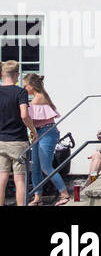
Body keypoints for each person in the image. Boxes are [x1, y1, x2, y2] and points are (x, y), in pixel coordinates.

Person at [22, 73, 69, 205]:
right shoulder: (38, 97)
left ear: (31, 86)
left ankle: (64, 194)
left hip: (47, 132)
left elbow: (26, 116)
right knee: (35, 167)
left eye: (25, 86)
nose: (24, 88)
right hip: (39, 132)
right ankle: (38, 197)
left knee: (45, 166)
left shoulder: (38, 98)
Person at [0, 60, 33, 207]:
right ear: (17, 74)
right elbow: (24, 115)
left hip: (1, 141)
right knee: (20, 180)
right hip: (18, 141)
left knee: (1, 179)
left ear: (2, 74)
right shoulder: (21, 92)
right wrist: (33, 130)